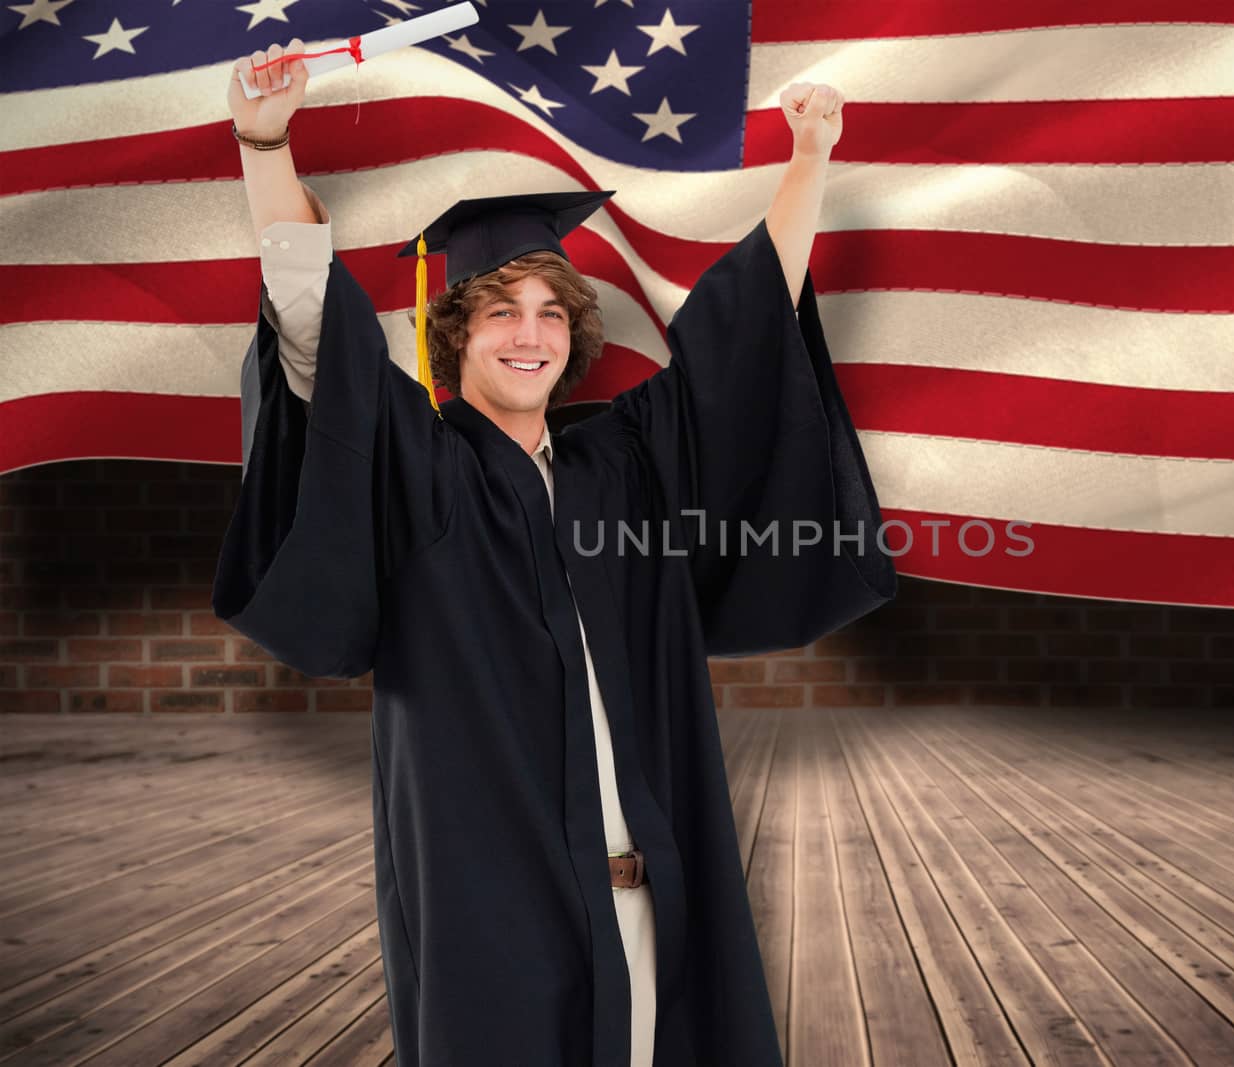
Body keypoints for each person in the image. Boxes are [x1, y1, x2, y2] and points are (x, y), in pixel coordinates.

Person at [212, 39, 896, 1067]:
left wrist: (810, 159)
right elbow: (322, 343)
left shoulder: (623, 467)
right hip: (503, 911)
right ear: (455, 336)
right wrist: (267, 148)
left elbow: (741, 330)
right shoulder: (424, 471)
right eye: (498, 312)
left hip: (650, 890)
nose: (527, 335)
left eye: (546, 314)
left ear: (573, 334)